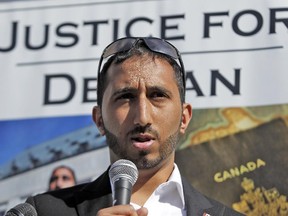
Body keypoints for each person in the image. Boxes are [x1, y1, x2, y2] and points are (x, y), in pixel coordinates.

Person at [25, 37, 244, 215]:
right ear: (99, 119)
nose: (142, 117)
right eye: (126, 96)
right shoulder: (42, 212)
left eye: (157, 95)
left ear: (184, 118)